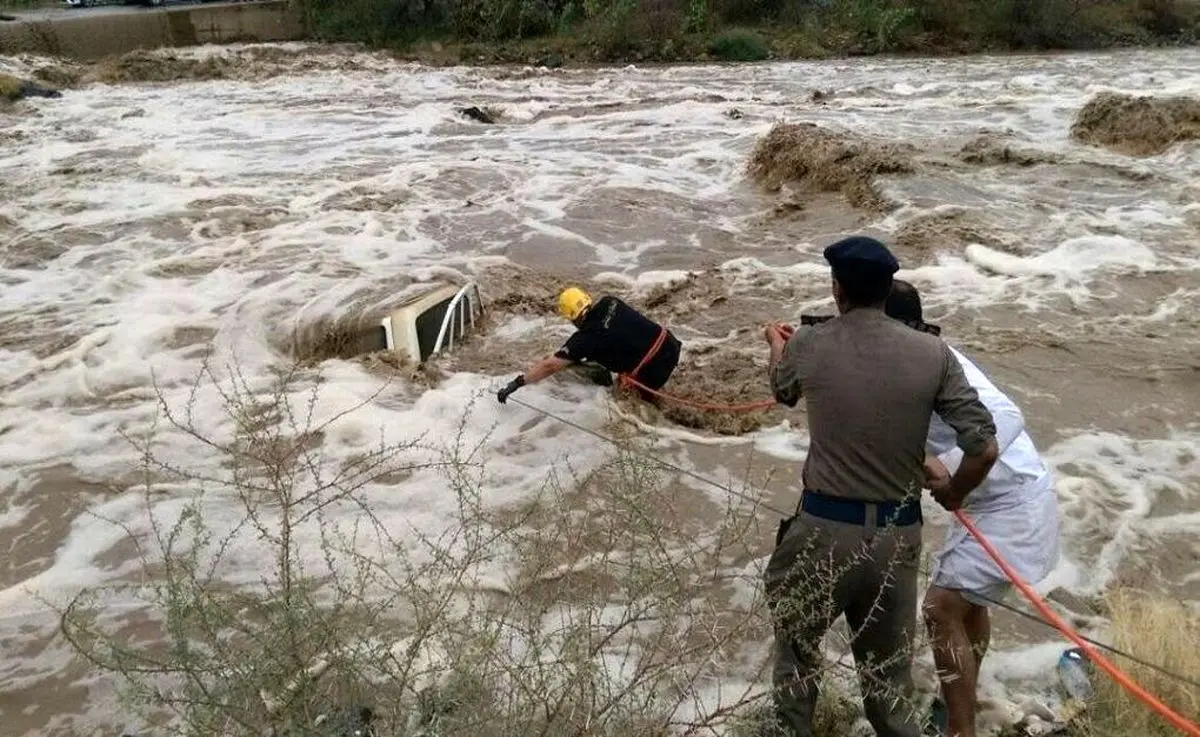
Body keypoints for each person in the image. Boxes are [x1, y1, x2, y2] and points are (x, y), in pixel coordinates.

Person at [762, 235, 1000, 737]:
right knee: (889, 684)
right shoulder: (934, 353)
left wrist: (776, 346)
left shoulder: (809, 342)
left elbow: (782, 391)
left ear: (837, 289)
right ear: (889, 288)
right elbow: (984, 446)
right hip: (897, 538)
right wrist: (954, 492)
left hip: (821, 532)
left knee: (796, 665)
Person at [885, 280, 1062, 737]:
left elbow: (1008, 417)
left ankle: (960, 731)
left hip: (1012, 501)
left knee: (941, 609)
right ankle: (965, 700)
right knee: (967, 605)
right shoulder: (900, 357)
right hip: (992, 498)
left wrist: (951, 473)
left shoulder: (941, 362)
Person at [496, 287, 682, 405]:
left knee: (628, 407)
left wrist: (517, 383)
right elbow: (618, 331)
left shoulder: (584, 340)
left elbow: (550, 365)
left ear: (571, 317)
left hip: (652, 370)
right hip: (670, 344)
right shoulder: (610, 302)